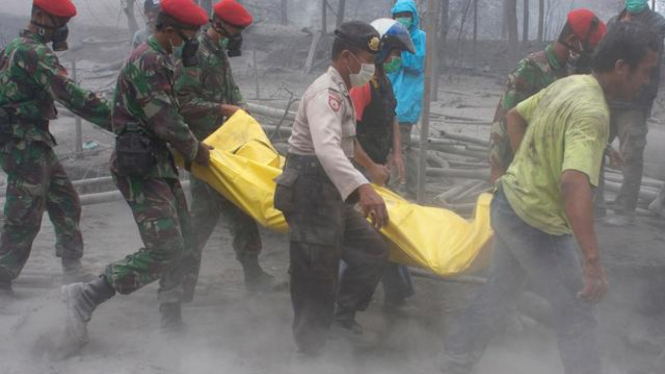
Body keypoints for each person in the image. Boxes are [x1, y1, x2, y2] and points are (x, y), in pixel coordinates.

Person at [440, 22, 659, 374]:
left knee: (500, 291)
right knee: (577, 310)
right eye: (646, 72)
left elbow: (516, 115)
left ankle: (454, 360)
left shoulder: (571, 84)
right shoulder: (593, 113)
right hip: (534, 223)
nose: (648, 82)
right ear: (621, 67)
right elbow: (574, 184)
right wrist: (591, 260)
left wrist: (527, 167)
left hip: (508, 203)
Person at [61, 0, 210, 346]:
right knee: (165, 247)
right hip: (141, 168)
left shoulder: (161, 58)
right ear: (170, 31)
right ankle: (87, 294)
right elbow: (165, 119)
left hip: (158, 164)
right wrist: (196, 150)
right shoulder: (149, 60)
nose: (193, 42)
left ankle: (170, 317)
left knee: (185, 242)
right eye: (190, 35)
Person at [273, 21, 390, 357]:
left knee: (372, 251)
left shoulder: (341, 90)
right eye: (368, 59)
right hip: (310, 190)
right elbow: (326, 149)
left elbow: (345, 146)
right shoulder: (327, 94)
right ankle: (308, 354)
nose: (371, 67)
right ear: (347, 57)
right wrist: (363, 188)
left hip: (331, 190)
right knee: (316, 277)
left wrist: (364, 176)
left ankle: (340, 319)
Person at [0, 0, 113, 296]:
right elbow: (69, 93)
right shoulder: (31, 51)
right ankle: (2, 278)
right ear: (38, 16)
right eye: (58, 21)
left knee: (66, 201)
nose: (62, 29)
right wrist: (117, 119)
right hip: (22, 143)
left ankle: (72, 269)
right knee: (23, 213)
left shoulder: (19, 47)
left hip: (34, 139)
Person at [175, 0, 277, 295]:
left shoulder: (218, 52)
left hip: (228, 147)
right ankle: (183, 281)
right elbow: (183, 102)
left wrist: (242, 110)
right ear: (218, 24)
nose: (239, 35)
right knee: (205, 215)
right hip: (204, 149)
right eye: (237, 29)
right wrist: (223, 109)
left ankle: (253, 274)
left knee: (240, 209)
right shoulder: (194, 54)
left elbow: (231, 91)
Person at [489, 9, 607, 183]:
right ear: (572, 41)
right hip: (516, 169)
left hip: (544, 168)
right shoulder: (531, 68)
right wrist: (497, 168)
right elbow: (503, 118)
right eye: (588, 50)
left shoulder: (569, 74)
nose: (588, 58)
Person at [349, 18, 415, 310]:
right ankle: (345, 298)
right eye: (395, 54)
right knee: (363, 235)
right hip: (359, 170)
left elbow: (393, 118)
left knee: (384, 226)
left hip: (378, 167)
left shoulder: (384, 81)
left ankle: (397, 293)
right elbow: (346, 135)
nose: (396, 60)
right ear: (381, 50)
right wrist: (369, 168)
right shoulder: (362, 85)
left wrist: (397, 153)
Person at [598, 0, 665, 226]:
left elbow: (640, 50)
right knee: (594, 148)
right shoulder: (615, 20)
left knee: (631, 156)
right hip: (609, 97)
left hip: (635, 101)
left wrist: (621, 29)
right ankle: (594, 203)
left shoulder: (656, 23)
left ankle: (624, 211)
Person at [387, 0, 426, 198]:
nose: (403, 18)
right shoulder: (390, 34)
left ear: (413, 17)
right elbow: (386, 65)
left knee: (398, 146)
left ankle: (392, 191)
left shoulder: (419, 37)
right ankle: (412, 189)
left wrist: (401, 48)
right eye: (399, 14)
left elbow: (416, 64)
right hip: (389, 96)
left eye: (407, 14)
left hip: (406, 100)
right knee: (404, 147)